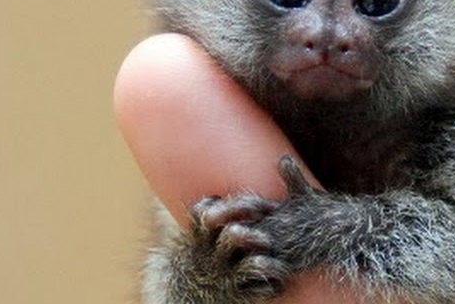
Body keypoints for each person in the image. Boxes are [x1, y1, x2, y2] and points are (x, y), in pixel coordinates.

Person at [114, 33, 368, 304]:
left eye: (377, 1)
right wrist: (201, 276)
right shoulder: (204, 120)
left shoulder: (416, 131)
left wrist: (346, 227)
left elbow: (418, 272)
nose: (323, 33)